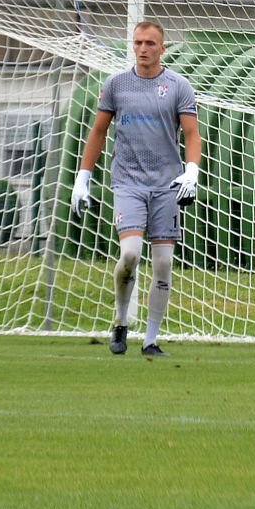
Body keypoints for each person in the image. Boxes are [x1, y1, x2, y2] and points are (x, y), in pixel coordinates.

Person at [71, 20, 202, 357]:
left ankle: (150, 340)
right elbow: (98, 131)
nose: (143, 49)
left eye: (150, 43)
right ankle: (121, 320)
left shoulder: (179, 86)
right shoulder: (116, 84)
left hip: (167, 185)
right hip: (128, 182)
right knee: (130, 255)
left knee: (163, 264)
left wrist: (191, 171)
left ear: (163, 48)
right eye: (138, 42)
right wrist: (83, 177)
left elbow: (191, 134)